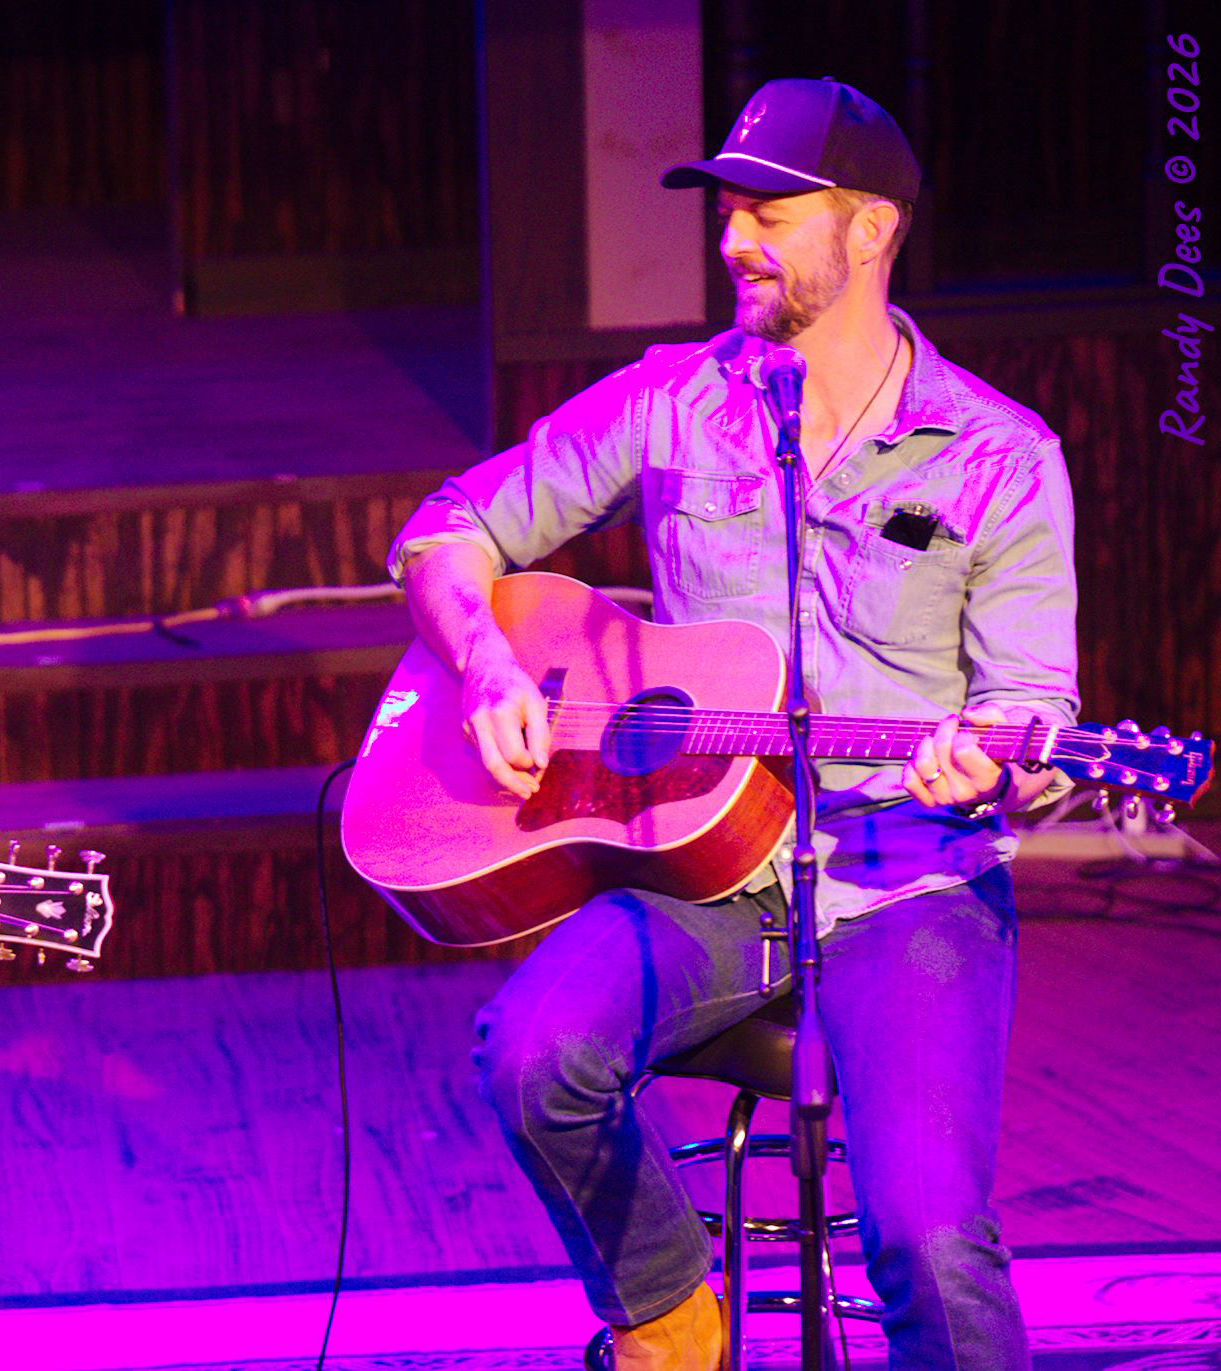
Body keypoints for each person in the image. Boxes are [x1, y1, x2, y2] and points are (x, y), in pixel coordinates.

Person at [388, 80, 1075, 1368]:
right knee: (532, 1055)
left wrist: (994, 770)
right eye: (728, 210)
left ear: (870, 231)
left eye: (770, 210)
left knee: (928, 1241)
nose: (733, 238)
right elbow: (445, 532)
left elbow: (1034, 716)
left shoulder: (999, 457)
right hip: (705, 875)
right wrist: (483, 662)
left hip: (905, 881)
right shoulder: (672, 399)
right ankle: (669, 1317)